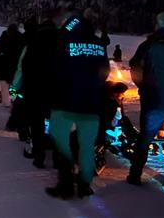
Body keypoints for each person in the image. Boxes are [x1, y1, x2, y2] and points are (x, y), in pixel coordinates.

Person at [46, 13, 110, 199]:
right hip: (92, 103)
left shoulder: (63, 44)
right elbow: (104, 73)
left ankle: (65, 183)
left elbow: (54, 72)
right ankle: (84, 184)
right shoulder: (99, 45)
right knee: (87, 146)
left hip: (64, 103)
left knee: (60, 141)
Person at [127, 12, 164, 188]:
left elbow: (135, 68)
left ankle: (135, 174)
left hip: (155, 101)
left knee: (145, 138)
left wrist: (144, 87)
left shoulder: (149, 45)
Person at [14, 19, 59, 168]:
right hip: (57, 91)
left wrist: (15, 86)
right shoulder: (63, 44)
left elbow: (22, 67)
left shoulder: (32, 44)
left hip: (34, 90)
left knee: (37, 124)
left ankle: (39, 155)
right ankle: (59, 158)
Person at [0, 24, 25, 107]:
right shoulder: (20, 37)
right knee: (14, 84)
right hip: (14, 65)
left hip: (4, 65)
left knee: (4, 85)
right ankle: (13, 100)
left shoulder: (4, 37)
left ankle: (6, 102)